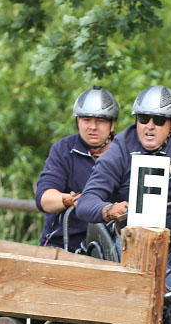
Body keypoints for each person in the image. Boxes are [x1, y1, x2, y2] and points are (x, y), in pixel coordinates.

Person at [76, 85, 171, 286]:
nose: (150, 126)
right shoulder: (118, 152)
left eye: (158, 120)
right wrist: (110, 209)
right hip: (132, 244)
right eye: (143, 119)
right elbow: (85, 203)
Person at [35, 86, 119, 251]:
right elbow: (44, 198)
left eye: (100, 121)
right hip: (63, 243)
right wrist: (72, 200)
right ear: (78, 121)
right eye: (86, 120)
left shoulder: (125, 152)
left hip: (112, 245)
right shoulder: (63, 149)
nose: (93, 127)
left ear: (112, 123)